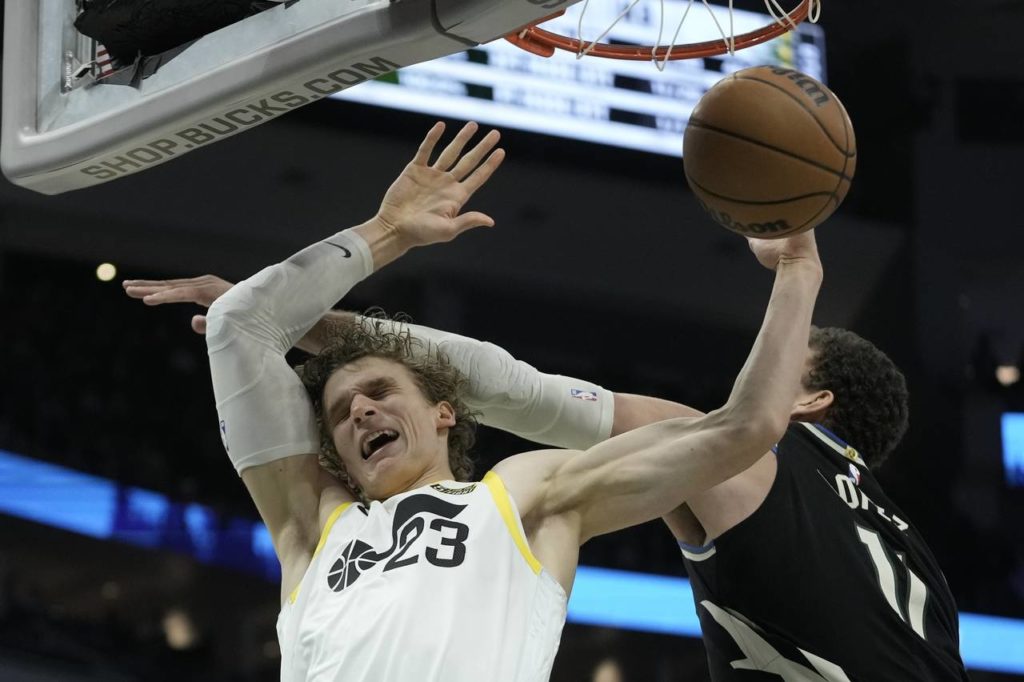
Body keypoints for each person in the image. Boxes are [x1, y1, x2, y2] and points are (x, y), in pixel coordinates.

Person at [125, 120, 825, 681]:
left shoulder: (523, 495)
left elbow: (746, 428)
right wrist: (387, 233)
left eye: (379, 392)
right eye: (338, 414)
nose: (360, 411)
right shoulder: (311, 528)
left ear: (445, 411)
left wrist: (798, 270)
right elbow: (242, 323)